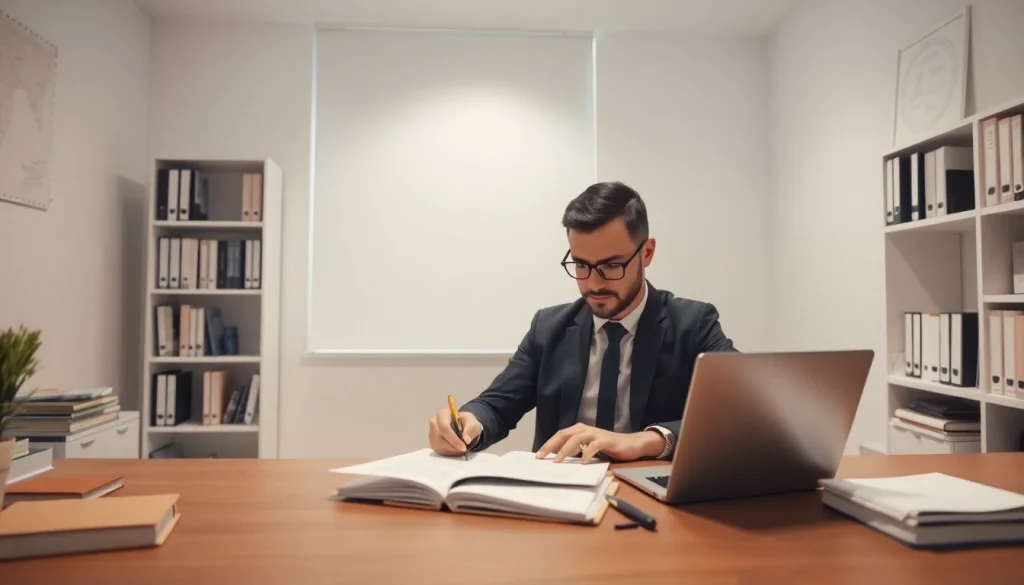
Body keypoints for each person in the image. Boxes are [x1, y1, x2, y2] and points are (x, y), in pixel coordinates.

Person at [427, 181, 737, 463]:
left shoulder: (693, 323)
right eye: (581, 265)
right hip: (562, 493)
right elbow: (496, 405)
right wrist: (467, 423)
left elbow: (741, 412)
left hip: (651, 494)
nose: (593, 283)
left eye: (611, 266)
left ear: (647, 253)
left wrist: (648, 440)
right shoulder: (548, 327)